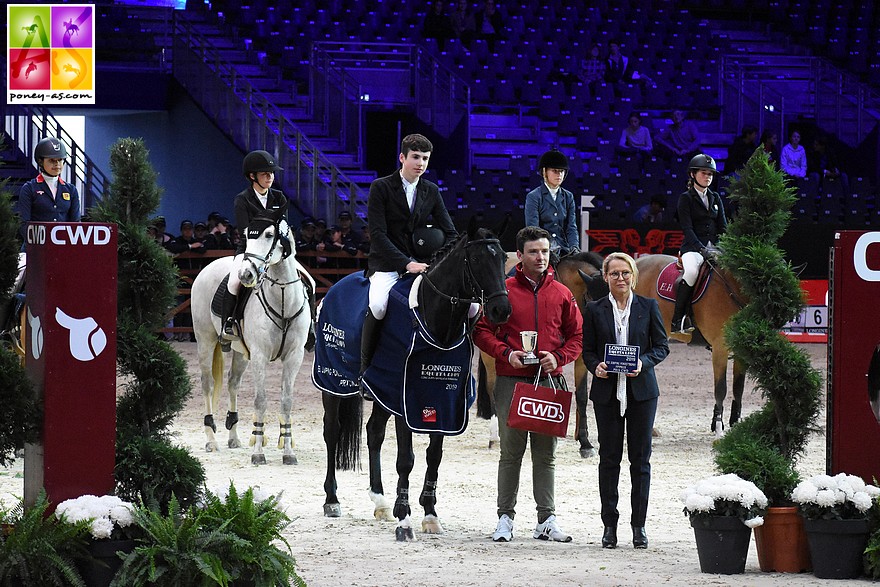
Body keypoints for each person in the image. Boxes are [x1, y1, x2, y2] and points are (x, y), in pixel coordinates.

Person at [473, 226, 583, 544]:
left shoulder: (562, 293)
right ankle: (505, 518)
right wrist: (506, 353)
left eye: (545, 251)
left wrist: (559, 356)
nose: (540, 257)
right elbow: (481, 331)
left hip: (551, 380)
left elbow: (577, 335)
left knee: (546, 455)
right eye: (533, 252)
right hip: (512, 380)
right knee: (511, 454)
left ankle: (546, 519)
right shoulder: (502, 290)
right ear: (519, 256)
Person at [582, 252, 668, 549]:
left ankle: (639, 526)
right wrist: (596, 367)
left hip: (642, 393)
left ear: (634, 276)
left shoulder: (649, 306)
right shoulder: (593, 310)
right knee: (609, 459)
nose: (620, 278)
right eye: (614, 273)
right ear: (605, 277)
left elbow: (661, 347)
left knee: (640, 460)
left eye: (625, 273)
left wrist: (643, 363)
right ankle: (609, 526)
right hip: (607, 393)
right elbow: (588, 351)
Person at [361, 133, 457, 393]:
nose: (421, 163)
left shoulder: (431, 190)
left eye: (425, 158)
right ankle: (366, 372)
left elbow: (451, 234)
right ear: (402, 157)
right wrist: (406, 263)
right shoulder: (380, 187)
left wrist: (437, 262)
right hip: (387, 265)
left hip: (423, 265)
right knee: (378, 305)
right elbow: (378, 235)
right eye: (416, 157)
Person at [222, 150, 316, 351]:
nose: (270, 177)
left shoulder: (279, 197)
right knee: (234, 282)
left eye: (271, 173)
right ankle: (228, 324)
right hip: (250, 250)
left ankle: (310, 327)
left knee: (310, 281)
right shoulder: (243, 199)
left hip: (276, 251)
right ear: (252, 176)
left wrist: (283, 244)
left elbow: (283, 225)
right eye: (265, 173)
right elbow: (246, 231)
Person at [671, 154, 727, 335]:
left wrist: (724, 246)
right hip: (692, 248)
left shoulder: (716, 197)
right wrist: (702, 249)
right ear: (693, 175)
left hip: (715, 248)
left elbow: (723, 226)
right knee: (692, 272)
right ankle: (678, 319)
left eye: (710, 174)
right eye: (704, 173)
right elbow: (687, 228)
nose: (708, 177)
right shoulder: (685, 199)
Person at [16, 137, 81, 242]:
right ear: (41, 161)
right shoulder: (29, 188)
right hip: (35, 247)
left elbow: (76, 224)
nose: (57, 164)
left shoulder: (71, 190)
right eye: (52, 160)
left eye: (60, 160)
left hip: (63, 247)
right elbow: (24, 224)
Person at [524, 149, 579, 258]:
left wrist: (574, 247)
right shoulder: (534, 196)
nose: (559, 175)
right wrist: (548, 246)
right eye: (555, 171)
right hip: (541, 249)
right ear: (545, 172)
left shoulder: (568, 196)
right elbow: (533, 228)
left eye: (562, 171)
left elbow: (571, 227)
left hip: (564, 248)